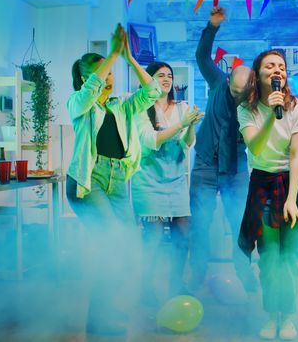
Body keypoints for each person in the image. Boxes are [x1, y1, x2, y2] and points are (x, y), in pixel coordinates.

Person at [66, 24, 161, 335]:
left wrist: (130, 59)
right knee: (113, 243)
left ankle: (105, 317)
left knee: (124, 249)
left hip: (118, 181)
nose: (108, 76)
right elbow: (91, 89)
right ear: (85, 79)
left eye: (109, 71)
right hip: (88, 181)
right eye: (101, 72)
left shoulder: (122, 106)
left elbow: (154, 91)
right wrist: (112, 54)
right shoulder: (79, 105)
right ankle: (100, 323)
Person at [237, 50, 298, 341]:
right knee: (270, 257)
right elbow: (256, 149)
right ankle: (272, 315)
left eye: (282, 67)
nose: (277, 70)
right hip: (262, 184)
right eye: (270, 66)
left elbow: (296, 156)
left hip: (292, 182)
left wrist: (291, 200)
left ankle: (289, 316)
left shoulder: (297, 106)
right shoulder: (246, 109)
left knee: (290, 256)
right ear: (257, 74)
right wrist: (272, 116)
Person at [189, 6, 254, 292]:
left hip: (235, 171)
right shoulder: (217, 81)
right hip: (204, 165)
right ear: (228, 81)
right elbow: (202, 56)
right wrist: (212, 26)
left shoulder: (256, 99)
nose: (240, 97)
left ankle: (246, 274)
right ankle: (197, 276)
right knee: (200, 226)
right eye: (236, 91)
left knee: (240, 225)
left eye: (245, 92)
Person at [131, 61, 203, 302]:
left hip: (175, 181)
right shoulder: (140, 108)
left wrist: (190, 125)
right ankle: (145, 287)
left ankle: (176, 284)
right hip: (149, 182)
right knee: (153, 239)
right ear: (148, 79)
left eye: (169, 75)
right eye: (160, 75)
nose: (166, 79)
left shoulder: (182, 107)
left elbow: (187, 143)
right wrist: (182, 124)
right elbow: (151, 141)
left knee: (183, 234)